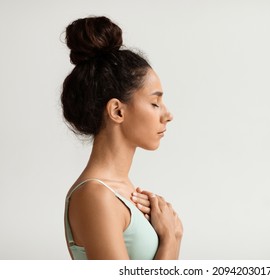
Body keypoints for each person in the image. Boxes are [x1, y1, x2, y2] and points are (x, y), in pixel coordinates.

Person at [62, 16, 183, 260]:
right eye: (154, 103)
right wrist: (171, 239)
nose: (168, 115)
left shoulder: (122, 190)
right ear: (117, 111)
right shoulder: (95, 196)